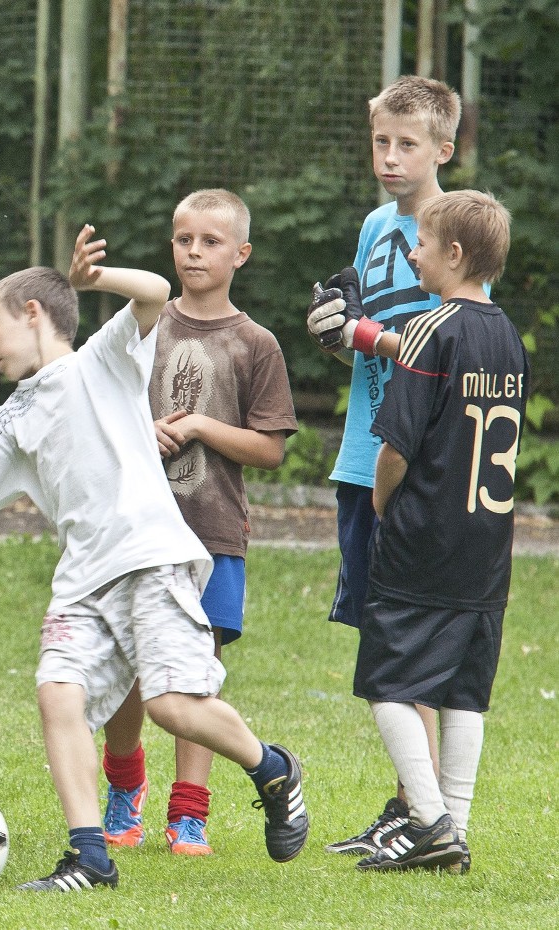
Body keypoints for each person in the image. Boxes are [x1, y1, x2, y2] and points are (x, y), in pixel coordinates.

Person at [0, 225, 310, 892]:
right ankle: (90, 857)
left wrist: (94, 281)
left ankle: (272, 766)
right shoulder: (11, 422)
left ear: (34, 315)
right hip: (82, 585)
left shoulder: (104, 361)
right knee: (58, 695)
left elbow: (155, 291)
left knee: (173, 705)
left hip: (151, 561)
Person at [100, 189, 298, 855]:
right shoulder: (141, 323)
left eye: (211, 242)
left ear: (240, 253)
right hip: (133, 532)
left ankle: (190, 814)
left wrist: (205, 427)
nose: (194, 252)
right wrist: (140, 431)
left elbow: (270, 449)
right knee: (127, 667)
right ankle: (124, 788)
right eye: (184, 239)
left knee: (192, 674)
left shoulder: (256, 344)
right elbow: (99, 409)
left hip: (212, 535)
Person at [348, 190, 529, 871]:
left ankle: (429, 822)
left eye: (420, 243)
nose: (414, 254)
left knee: (388, 681)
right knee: (462, 691)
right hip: (488, 542)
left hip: (426, 533)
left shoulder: (432, 328)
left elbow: (396, 445)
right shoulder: (506, 335)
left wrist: (384, 503)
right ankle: (457, 825)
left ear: (453, 254)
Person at [305, 75, 462, 859]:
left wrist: (364, 334)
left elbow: (444, 344)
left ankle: (425, 813)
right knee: (381, 632)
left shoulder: (457, 226)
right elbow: (367, 347)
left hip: (412, 462)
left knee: (405, 645)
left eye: (408, 145)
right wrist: (336, 333)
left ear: (444, 149)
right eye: (381, 142)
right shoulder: (373, 224)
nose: (391, 158)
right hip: (361, 452)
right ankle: (411, 803)